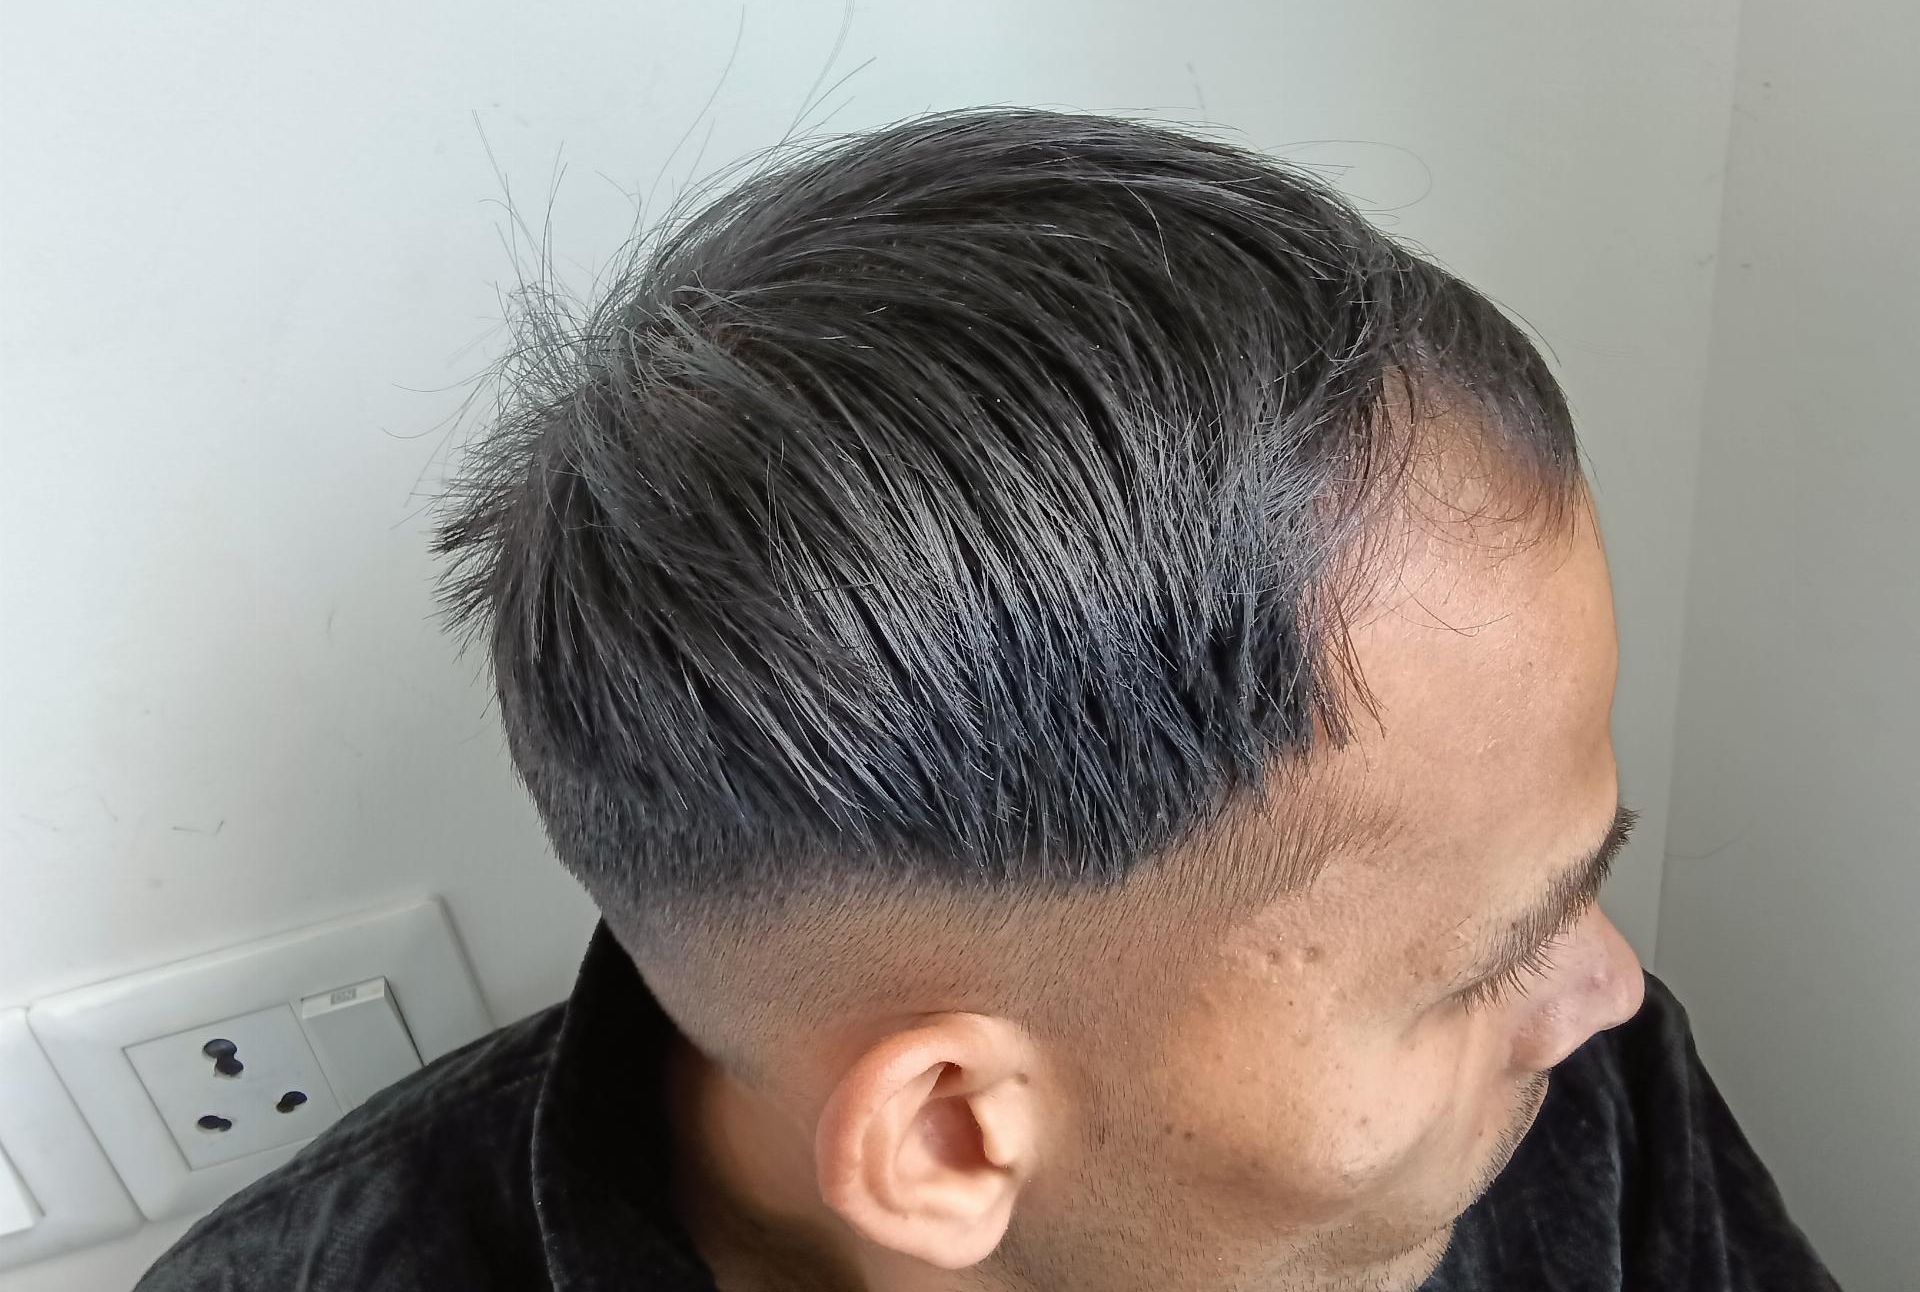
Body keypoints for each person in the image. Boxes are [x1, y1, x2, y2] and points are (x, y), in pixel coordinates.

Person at [136, 110, 1835, 1291]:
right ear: (951, 1137)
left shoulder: (1580, 1093)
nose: (1607, 989)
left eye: (1574, 879)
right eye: (1473, 969)